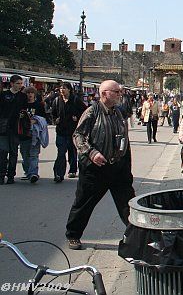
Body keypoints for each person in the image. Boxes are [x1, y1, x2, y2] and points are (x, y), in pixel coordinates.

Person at [65, 80, 135, 250]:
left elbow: (128, 114)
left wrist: (125, 164)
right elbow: (78, 135)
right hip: (96, 169)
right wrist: (92, 153)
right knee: (84, 202)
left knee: (128, 204)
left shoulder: (118, 112)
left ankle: (136, 237)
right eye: (116, 92)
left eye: (120, 92)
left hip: (118, 168)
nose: (120, 94)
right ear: (104, 93)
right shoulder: (92, 111)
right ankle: (73, 235)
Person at [51, 82, 87, 182]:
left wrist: (78, 118)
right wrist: (55, 120)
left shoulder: (75, 100)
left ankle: (72, 170)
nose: (62, 90)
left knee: (72, 151)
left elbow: (85, 112)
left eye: (65, 88)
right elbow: (53, 113)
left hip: (73, 131)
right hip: (61, 131)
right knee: (61, 152)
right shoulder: (57, 100)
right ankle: (59, 173)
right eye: (61, 88)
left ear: (69, 90)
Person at [0, 75, 28, 185]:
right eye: (18, 83)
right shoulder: (3, 95)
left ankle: (11, 175)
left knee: (13, 152)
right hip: (3, 127)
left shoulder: (22, 96)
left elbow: (25, 110)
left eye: (21, 83)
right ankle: (1, 175)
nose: (20, 86)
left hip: (16, 127)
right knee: (2, 152)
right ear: (11, 84)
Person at [19, 87, 46, 181]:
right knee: (25, 155)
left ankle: (33, 174)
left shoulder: (39, 105)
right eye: (28, 93)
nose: (29, 94)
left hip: (35, 134)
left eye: (31, 93)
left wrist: (36, 120)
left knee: (34, 155)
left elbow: (43, 119)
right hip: (24, 134)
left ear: (35, 94)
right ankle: (28, 172)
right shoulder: (22, 105)